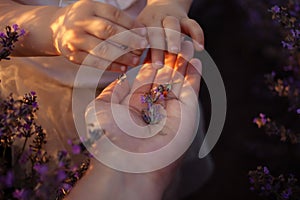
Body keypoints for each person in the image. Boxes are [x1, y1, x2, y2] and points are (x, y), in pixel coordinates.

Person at [0, 0, 212, 199]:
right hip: (46, 92)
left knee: (154, 153)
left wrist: (167, 5)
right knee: (59, 177)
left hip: (144, 74)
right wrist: (52, 27)